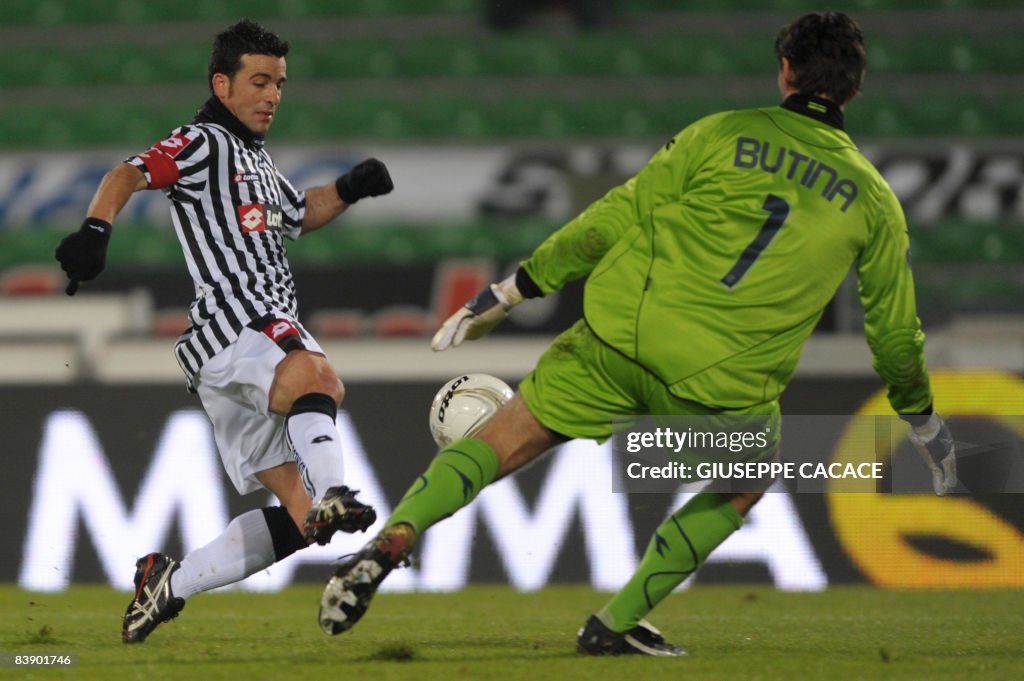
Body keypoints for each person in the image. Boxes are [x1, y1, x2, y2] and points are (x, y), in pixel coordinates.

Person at [316, 11, 957, 655]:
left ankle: (396, 535)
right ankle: (615, 622)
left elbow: (617, 212)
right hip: (718, 382)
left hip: (617, 335)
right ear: (856, 87)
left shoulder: (720, 133)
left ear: (785, 71)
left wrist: (518, 288)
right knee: (745, 480)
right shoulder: (875, 202)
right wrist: (922, 420)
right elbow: (896, 334)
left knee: (508, 432)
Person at [54, 19, 393, 644]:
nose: (272, 95)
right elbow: (127, 173)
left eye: (280, 84)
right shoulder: (203, 141)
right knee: (317, 378)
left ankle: (168, 584)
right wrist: (96, 230)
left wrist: (349, 188)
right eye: (259, 81)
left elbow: (297, 213)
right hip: (242, 321)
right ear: (222, 83)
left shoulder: (256, 160)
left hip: (225, 355)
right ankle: (336, 488)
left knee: (301, 524)